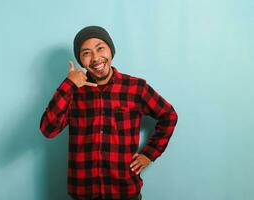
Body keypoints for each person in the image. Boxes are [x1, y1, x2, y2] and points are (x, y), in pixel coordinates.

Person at [40, 26, 178, 200]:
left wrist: (149, 154)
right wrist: (69, 84)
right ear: (81, 61)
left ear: (111, 51)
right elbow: (48, 129)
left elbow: (169, 115)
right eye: (86, 53)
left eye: (100, 48)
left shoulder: (136, 88)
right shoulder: (73, 92)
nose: (96, 58)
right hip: (84, 192)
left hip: (124, 191)